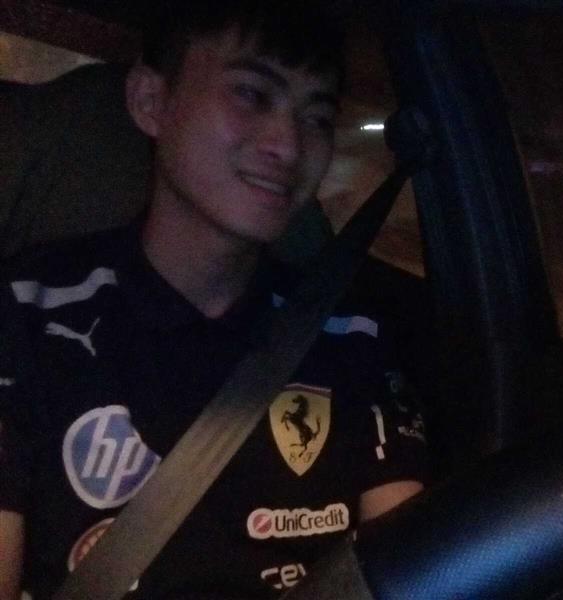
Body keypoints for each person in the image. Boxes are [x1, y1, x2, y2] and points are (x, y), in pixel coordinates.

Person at [0, 2, 428, 598]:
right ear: (151, 101)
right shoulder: (26, 314)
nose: (289, 145)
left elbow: (413, 568)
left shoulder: (346, 334)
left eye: (317, 117)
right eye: (251, 94)